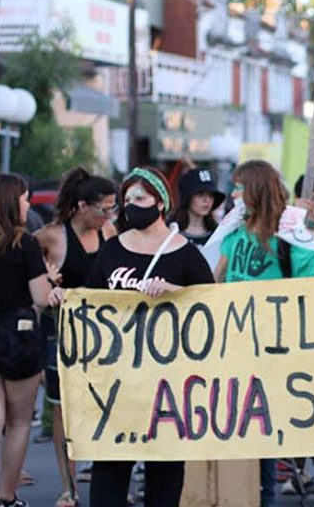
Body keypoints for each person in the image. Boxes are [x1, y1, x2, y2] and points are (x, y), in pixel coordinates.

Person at [48, 167, 214, 507]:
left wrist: (176, 291)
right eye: (127, 199)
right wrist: (65, 297)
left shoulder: (186, 254)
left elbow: (212, 308)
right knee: (109, 478)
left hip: (167, 386)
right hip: (116, 384)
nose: (131, 205)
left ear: (160, 202)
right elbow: (92, 300)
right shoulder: (113, 249)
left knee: (164, 480)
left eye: (140, 197)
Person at [214, 161, 314, 506]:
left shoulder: (289, 234)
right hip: (233, 346)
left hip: (273, 350)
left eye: (239, 188)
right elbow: (215, 281)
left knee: (261, 433)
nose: (234, 195)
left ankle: (265, 499)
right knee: (241, 432)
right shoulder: (234, 231)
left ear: (255, 189)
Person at [34, 167, 117, 507]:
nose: (109, 215)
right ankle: (69, 488)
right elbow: (21, 258)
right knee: (64, 410)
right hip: (63, 334)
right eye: (104, 208)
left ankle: (108, 483)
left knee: (107, 405)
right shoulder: (53, 236)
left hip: (105, 335)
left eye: (113, 208)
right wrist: (44, 280)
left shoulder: (108, 232)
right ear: (83, 206)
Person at [0, 174, 52, 507]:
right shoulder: (26, 243)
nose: (29, 204)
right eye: (24, 198)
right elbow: (41, 297)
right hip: (17, 337)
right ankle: (6, 496)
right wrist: (50, 280)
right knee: (19, 423)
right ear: (10, 202)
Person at [171, 167, 225, 246]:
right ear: (188, 198)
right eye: (200, 194)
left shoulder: (219, 234)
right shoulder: (170, 232)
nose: (207, 200)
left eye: (211, 195)